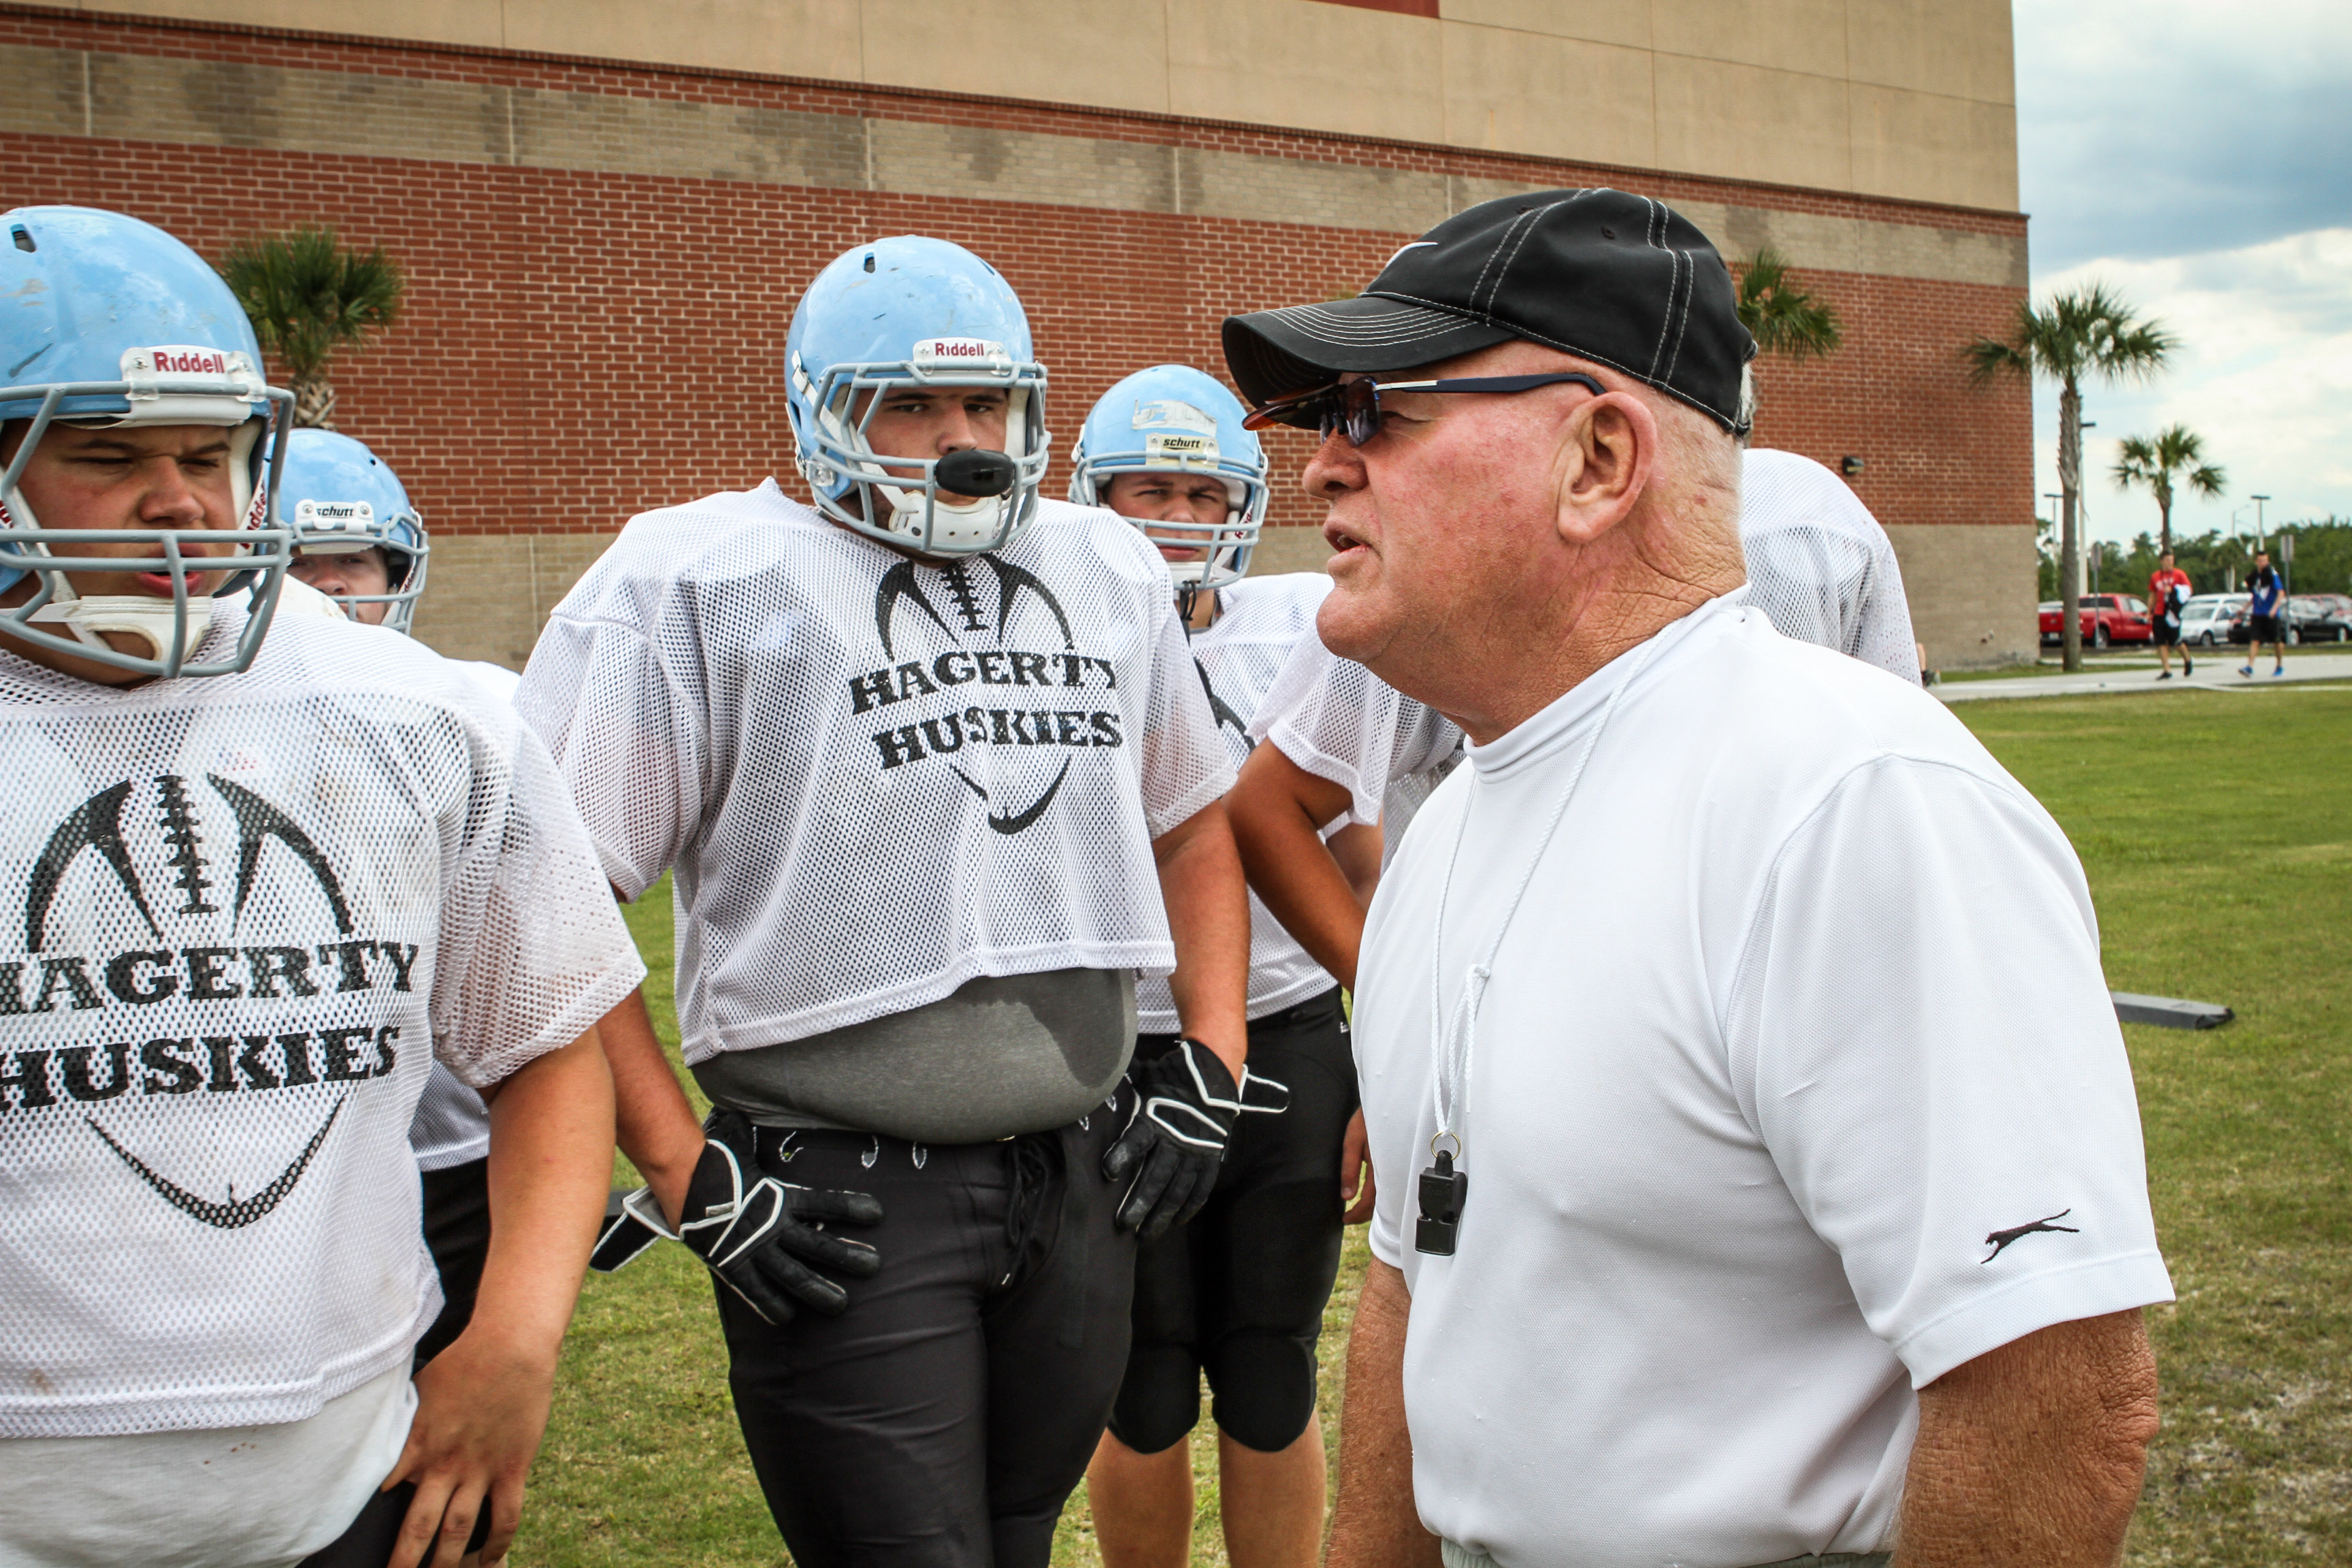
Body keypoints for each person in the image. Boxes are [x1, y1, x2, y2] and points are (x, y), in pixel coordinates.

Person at [1223, 187, 2172, 1568]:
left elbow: (2055, 1390)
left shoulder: (1851, 803)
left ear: (1600, 460)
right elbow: (1412, 1295)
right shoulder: (1451, 819)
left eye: (1378, 409)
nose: (1322, 464)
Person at [516, 236, 1252, 1568]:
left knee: (1021, 1537)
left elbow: (1193, 821)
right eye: (910, 403)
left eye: (987, 406)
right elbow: (554, 900)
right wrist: (686, 1175)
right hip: (842, 1190)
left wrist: (1212, 1052)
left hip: (1080, 1166)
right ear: (821, 410)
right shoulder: (702, 576)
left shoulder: (1106, 565)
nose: (961, 440)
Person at [0, 206, 642, 1568]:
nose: (178, 501)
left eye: (209, 454)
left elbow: (547, 1050)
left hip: (354, 1476)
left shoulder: (405, 709)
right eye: (108, 458)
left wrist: (515, 1342)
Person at [1228, 444, 1922, 1064]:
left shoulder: (1806, 518)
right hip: (1519, 1020)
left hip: (1780, 1008)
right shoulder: (1448, 556)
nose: (1325, 467)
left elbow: (1887, 784)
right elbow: (1271, 804)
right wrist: (1409, 1026)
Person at [1068, 365, 1379, 1568]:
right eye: (1153, 488)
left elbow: (1363, 847)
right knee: (1136, 1376)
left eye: (1206, 490)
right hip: (1117, 1042)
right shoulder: (1052, 628)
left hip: (1288, 1033)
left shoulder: (1301, 626)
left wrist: (1386, 1043)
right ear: (1098, 495)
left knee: (1268, 1358)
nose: (1179, 517)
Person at [279, 428, 497, 1367]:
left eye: (354, 561)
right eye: (305, 564)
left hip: (458, 1153)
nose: (332, 588)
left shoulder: (470, 708)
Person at [2147, 549, 2193, 679]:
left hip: (2172, 613)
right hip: (2159, 612)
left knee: (2175, 641)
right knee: (2160, 641)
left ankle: (2187, 659)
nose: (2169, 563)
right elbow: (2153, 594)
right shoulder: (2156, 576)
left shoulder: (2179, 574)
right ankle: (2167, 669)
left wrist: (2174, 590)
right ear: (2161, 561)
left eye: (2171, 560)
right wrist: (2149, 611)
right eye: (2167, 560)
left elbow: (2188, 591)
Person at [2242, 549, 2285, 676]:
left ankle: (2279, 665)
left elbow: (2281, 593)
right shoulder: (2255, 577)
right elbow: (2256, 595)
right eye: (2260, 560)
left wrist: (2274, 608)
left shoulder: (2272, 575)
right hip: (2258, 614)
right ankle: (2249, 667)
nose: (2263, 563)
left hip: (2271, 614)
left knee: (2277, 641)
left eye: (2265, 560)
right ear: (2256, 562)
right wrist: (2245, 608)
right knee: (2255, 640)